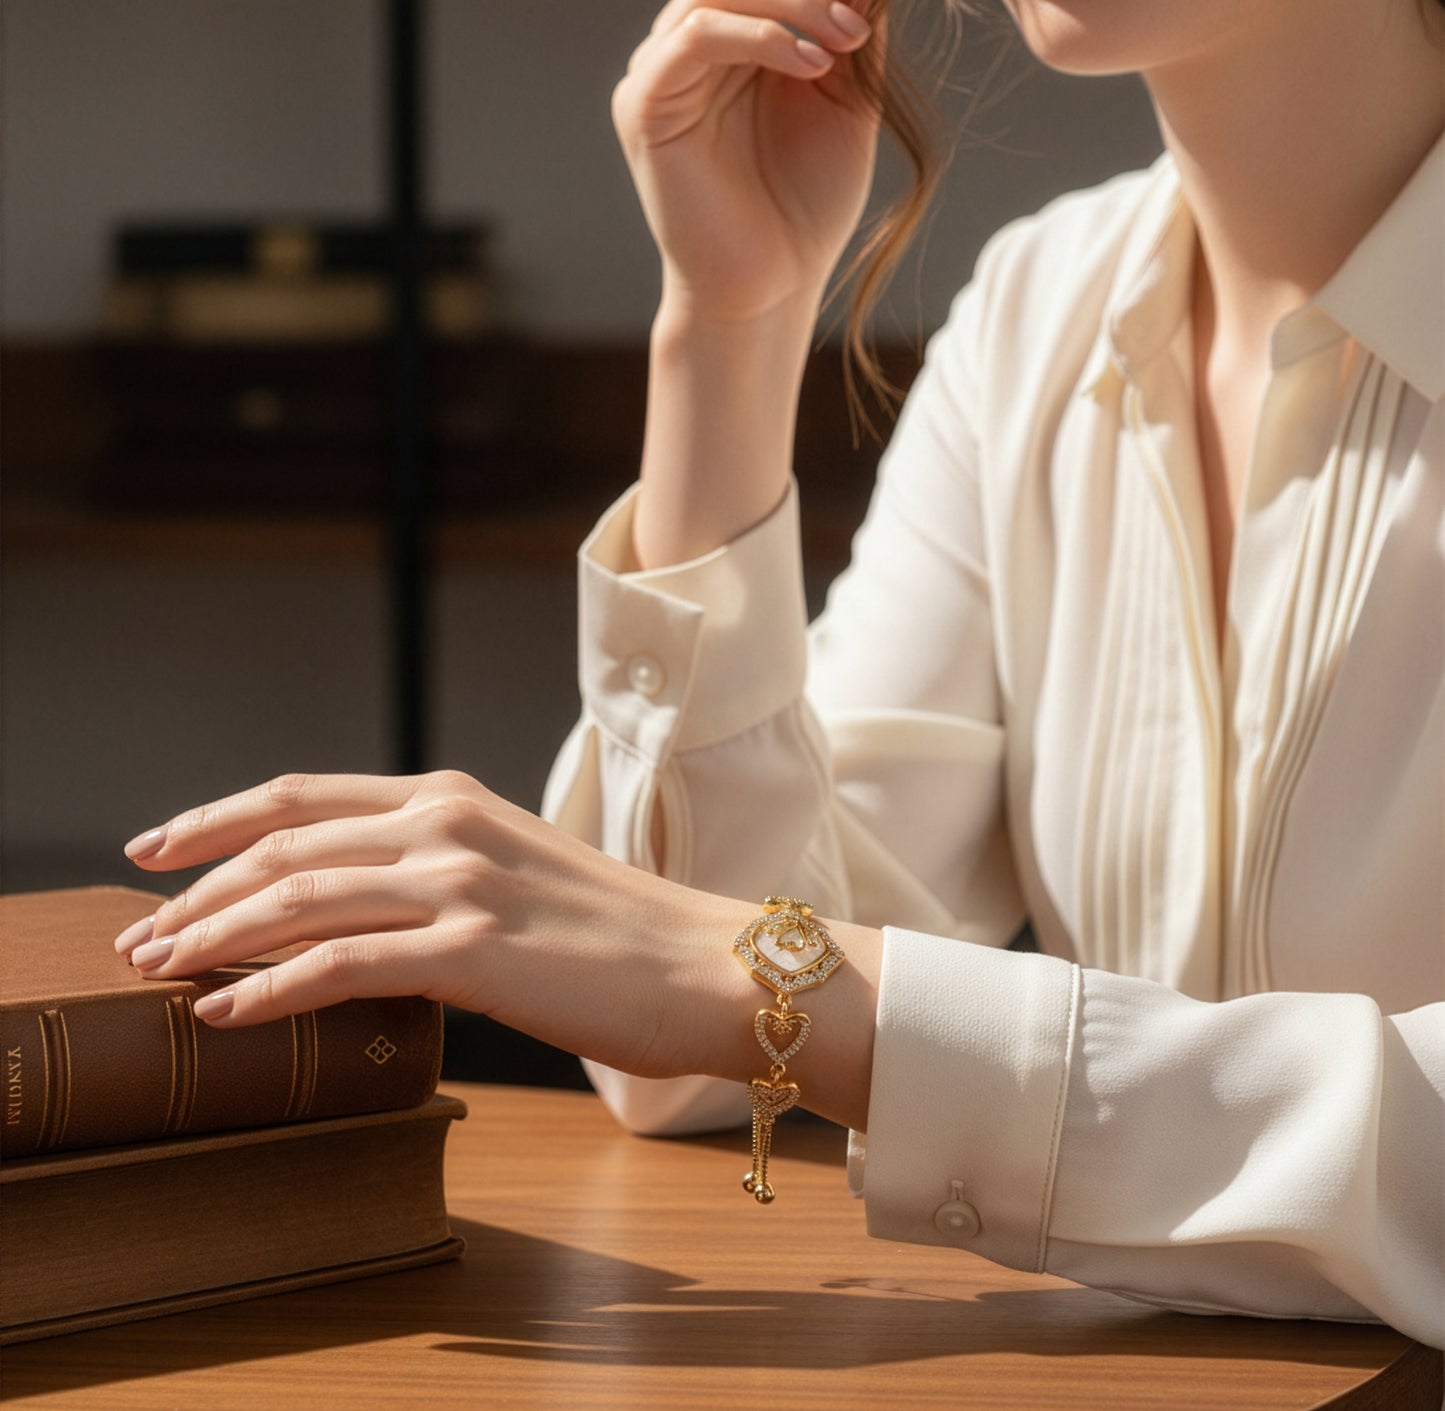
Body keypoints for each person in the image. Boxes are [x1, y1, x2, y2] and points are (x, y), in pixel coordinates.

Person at [113, 0, 1442, 1348]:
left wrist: (781, 990)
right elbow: (688, 1061)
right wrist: (732, 325)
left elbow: (746, 984)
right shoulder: (1043, 310)